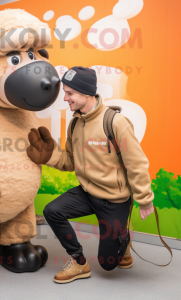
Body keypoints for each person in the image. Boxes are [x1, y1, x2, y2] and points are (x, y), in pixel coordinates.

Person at [26, 66, 154, 283]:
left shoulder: (115, 122)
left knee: (108, 264)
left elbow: (137, 163)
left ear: (86, 93)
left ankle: (122, 239)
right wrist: (49, 155)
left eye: (69, 93)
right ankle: (78, 262)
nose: (65, 98)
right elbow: (70, 162)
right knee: (52, 211)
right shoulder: (75, 123)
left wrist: (144, 199)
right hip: (87, 192)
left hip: (114, 199)